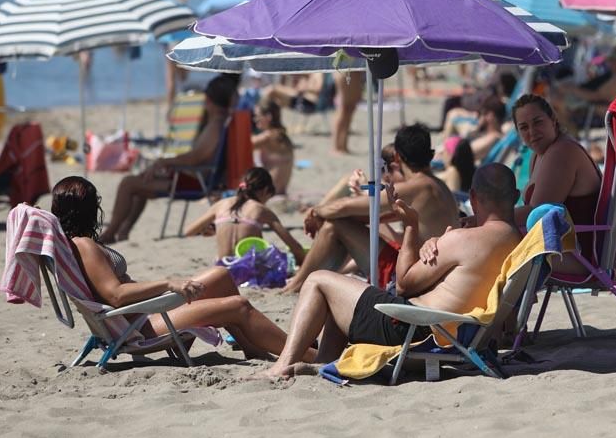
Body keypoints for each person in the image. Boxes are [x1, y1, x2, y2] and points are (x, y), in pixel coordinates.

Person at [265, 164, 522, 379]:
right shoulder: (519, 244)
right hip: (460, 337)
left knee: (318, 280)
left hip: (412, 329)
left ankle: (281, 366)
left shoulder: (463, 240)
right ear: (516, 196)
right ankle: (324, 363)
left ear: (473, 197)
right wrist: (439, 241)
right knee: (340, 294)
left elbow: (404, 285)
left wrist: (410, 226)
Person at [51, 176, 295, 361]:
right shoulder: (85, 246)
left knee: (221, 276)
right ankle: (302, 353)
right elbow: (116, 295)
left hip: (142, 313)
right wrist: (168, 284)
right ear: (90, 208)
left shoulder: (75, 244)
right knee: (238, 306)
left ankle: (252, 347)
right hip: (142, 326)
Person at [281, 123, 460, 294]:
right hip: (431, 274)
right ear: (431, 154)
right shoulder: (440, 188)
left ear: (397, 157)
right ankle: (301, 281)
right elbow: (370, 216)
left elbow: (343, 207)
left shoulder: (417, 187)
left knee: (334, 225)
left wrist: (315, 211)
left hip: (412, 277)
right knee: (340, 222)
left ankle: (297, 284)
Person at [100, 75, 236, 243]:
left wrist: (164, 162)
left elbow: (194, 158)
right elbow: (196, 157)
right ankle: (123, 232)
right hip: (193, 176)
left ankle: (110, 233)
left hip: (193, 181)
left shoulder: (215, 127)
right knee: (141, 179)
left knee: (127, 183)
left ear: (208, 100)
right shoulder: (219, 124)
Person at [510, 94, 602, 264]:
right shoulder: (539, 154)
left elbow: (536, 214)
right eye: (524, 127)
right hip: (559, 248)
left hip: (577, 256)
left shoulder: (562, 152)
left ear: (553, 120)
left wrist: (488, 219)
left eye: (538, 122)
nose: (532, 132)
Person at [184, 166, 306, 263]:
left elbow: (188, 232)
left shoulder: (221, 204)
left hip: (222, 270)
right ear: (265, 191)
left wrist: (218, 228)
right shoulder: (261, 210)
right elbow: (294, 247)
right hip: (249, 270)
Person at [250, 101, 294, 195]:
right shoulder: (281, 135)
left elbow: (244, 145)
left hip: (269, 194)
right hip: (281, 192)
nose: (254, 119)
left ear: (268, 117)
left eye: (257, 116)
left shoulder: (269, 137)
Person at [330, 70, 365, 155]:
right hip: (346, 70)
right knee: (344, 108)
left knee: (350, 108)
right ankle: (336, 146)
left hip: (354, 71)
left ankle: (343, 145)